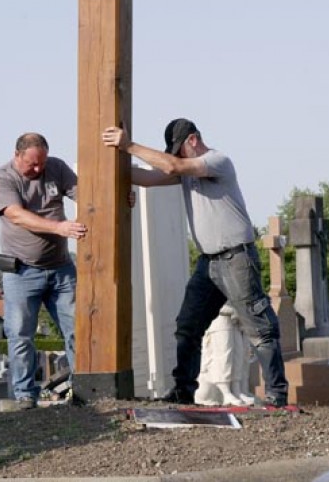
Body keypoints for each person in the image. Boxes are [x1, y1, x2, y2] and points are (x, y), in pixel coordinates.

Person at [102, 118, 288, 407]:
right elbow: (148, 178)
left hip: (236, 257)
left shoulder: (216, 160)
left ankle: (277, 395)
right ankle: (183, 390)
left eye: (179, 148)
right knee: (188, 326)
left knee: (259, 326)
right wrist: (114, 167)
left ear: (193, 140)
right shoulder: (185, 171)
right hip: (209, 263)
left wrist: (129, 145)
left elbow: (172, 167)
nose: (176, 155)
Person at [0, 132, 87, 410]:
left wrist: (117, 196)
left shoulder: (56, 167)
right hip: (21, 272)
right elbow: (16, 214)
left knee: (76, 328)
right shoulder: (2, 179)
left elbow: (85, 193)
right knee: (20, 334)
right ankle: (25, 396)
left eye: (41, 163)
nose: (38, 169)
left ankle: (83, 390)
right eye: (32, 164)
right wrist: (59, 227)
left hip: (61, 269)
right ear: (16, 155)